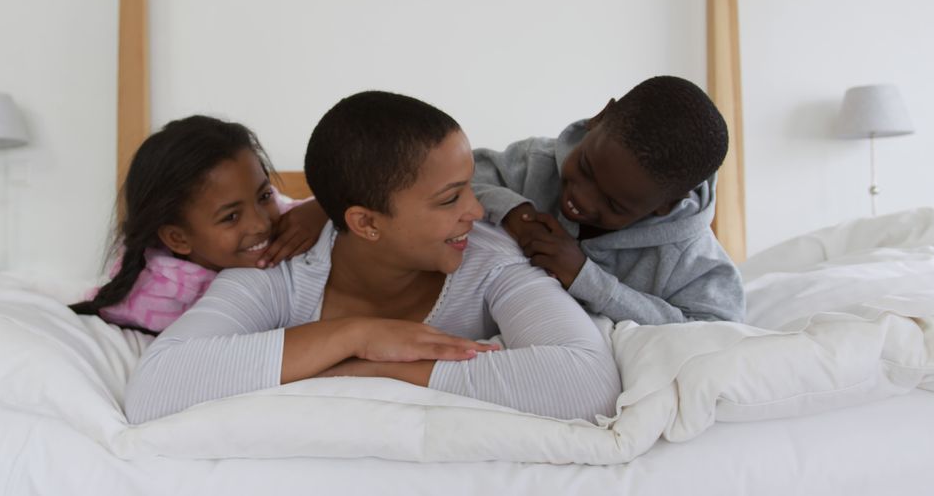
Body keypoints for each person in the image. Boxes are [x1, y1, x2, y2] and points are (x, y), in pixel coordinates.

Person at [124, 91, 621, 423]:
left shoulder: (489, 260)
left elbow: (587, 382)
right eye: (450, 199)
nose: (478, 211)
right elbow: (157, 387)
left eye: (471, 186)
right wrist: (359, 334)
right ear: (365, 223)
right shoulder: (278, 272)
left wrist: (370, 368)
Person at [472, 75, 745, 325]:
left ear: (666, 205)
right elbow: (445, 181)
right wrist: (514, 212)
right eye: (584, 167)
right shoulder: (533, 163)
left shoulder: (692, 261)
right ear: (600, 117)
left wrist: (588, 280)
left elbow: (716, 334)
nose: (580, 199)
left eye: (614, 204)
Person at [69, 115, 327, 333]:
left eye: (264, 195)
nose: (260, 224)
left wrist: (323, 208)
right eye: (231, 217)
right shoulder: (161, 301)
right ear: (178, 239)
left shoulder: (294, 222)